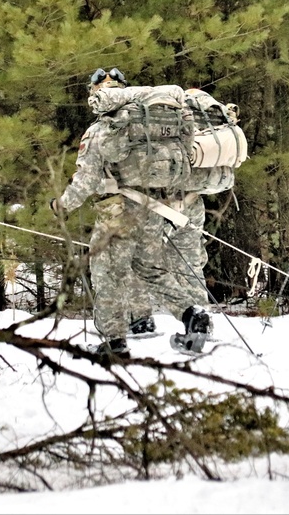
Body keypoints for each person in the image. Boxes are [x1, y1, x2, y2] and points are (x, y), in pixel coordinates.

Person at [51, 68, 211, 360]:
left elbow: (85, 180)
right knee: (149, 270)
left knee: (107, 274)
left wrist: (62, 206)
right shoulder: (151, 124)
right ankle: (191, 314)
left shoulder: (103, 128)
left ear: (96, 95)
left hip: (117, 212)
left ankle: (113, 342)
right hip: (152, 208)